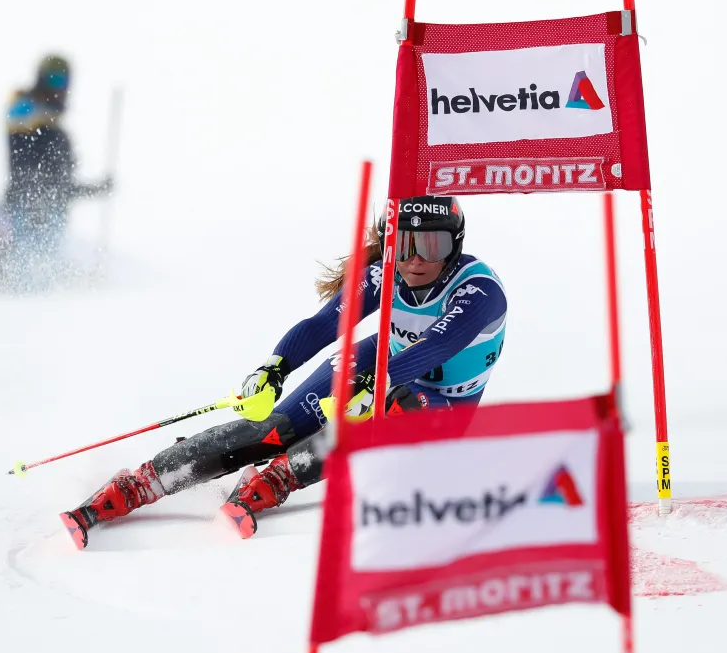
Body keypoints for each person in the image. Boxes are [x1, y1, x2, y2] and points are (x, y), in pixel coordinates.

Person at [60, 195, 509, 549]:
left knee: (392, 411)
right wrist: (276, 366)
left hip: (440, 396)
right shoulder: (386, 273)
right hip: (380, 364)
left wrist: (381, 384)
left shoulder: (479, 290)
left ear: (457, 245)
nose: (416, 259)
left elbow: (439, 345)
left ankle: (277, 478)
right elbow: (323, 325)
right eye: (406, 244)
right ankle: (143, 481)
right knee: (273, 429)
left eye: (433, 245)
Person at [3, 54, 111, 280]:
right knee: (26, 276)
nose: (58, 88)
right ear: (40, 79)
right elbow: (27, 163)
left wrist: (96, 189)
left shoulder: (56, 129)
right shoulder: (26, 111)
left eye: (63, 82)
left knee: (46, 275)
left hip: (52, 215)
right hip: (27, 211)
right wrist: (36, 195)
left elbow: (62, 186)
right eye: (52, 80)